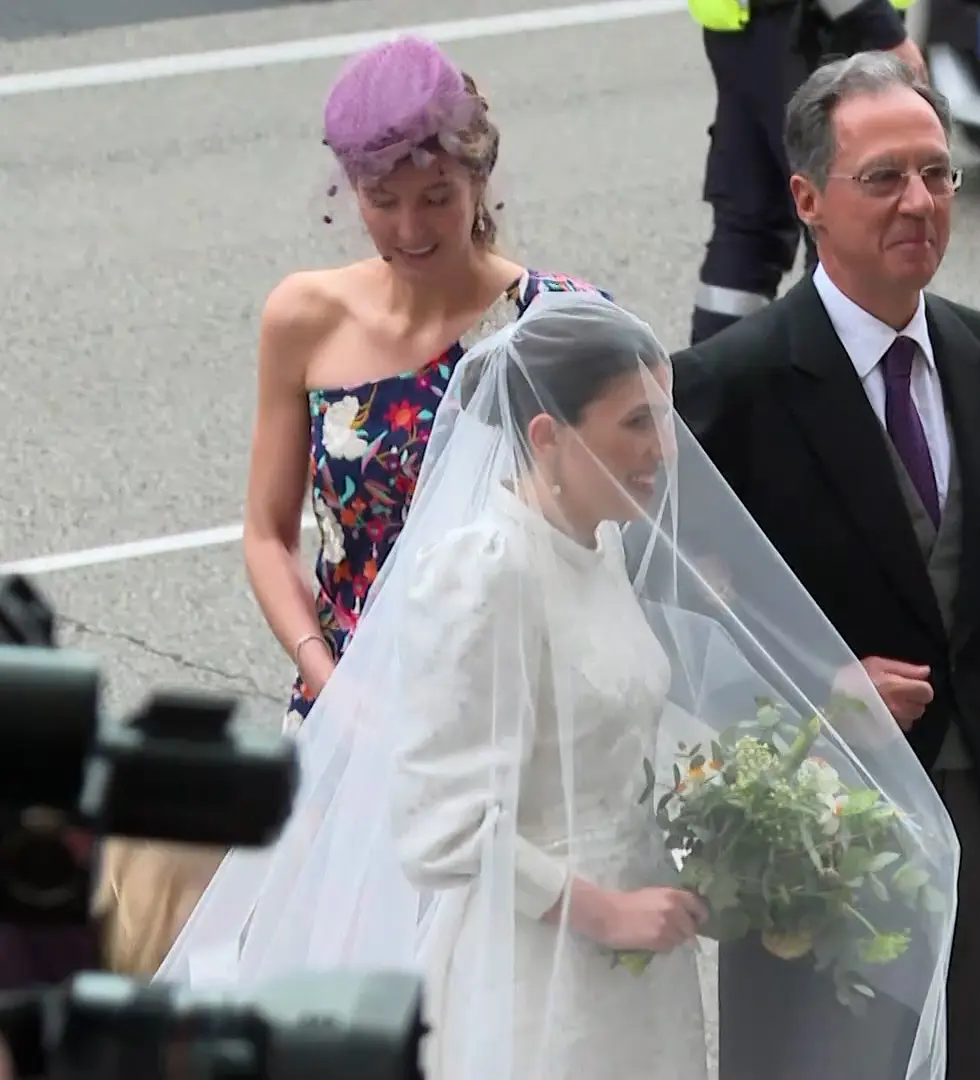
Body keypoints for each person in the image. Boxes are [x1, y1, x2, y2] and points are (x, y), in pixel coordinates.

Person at [154, 291, 960, 1080]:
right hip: (536, 968)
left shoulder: (597, 547)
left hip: (638, 955)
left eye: (664, 420)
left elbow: (622, 730)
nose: (666, 450)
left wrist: (765, 803)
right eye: (636, 424)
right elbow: (440, 826)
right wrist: (603, 911)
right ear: (549, 436)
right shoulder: (483, 574)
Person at [92, 35, 608, 983]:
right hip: (345, 715)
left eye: (436, 199)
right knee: (327, 980)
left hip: (498, 722)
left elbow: (612, 535)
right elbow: (265, 533)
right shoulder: (304, 318)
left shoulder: (555, 325)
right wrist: (328, 681)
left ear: (478, 178)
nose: (410, 229)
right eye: (384, 202)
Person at [673, 50, 980, 1080]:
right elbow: (670, 620)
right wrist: (822, 696)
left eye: (938, 174)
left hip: (977, 814)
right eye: (885, 178)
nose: (920, 203)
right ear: (807, 199)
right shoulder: (734, 385)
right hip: (817, 822)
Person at [688, 0, 925, 345]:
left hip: (743, 31)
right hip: (823, 27)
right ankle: (830, 383)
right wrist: (880, 25)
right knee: (843, 227)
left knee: (751, 225)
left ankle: (713, 384)